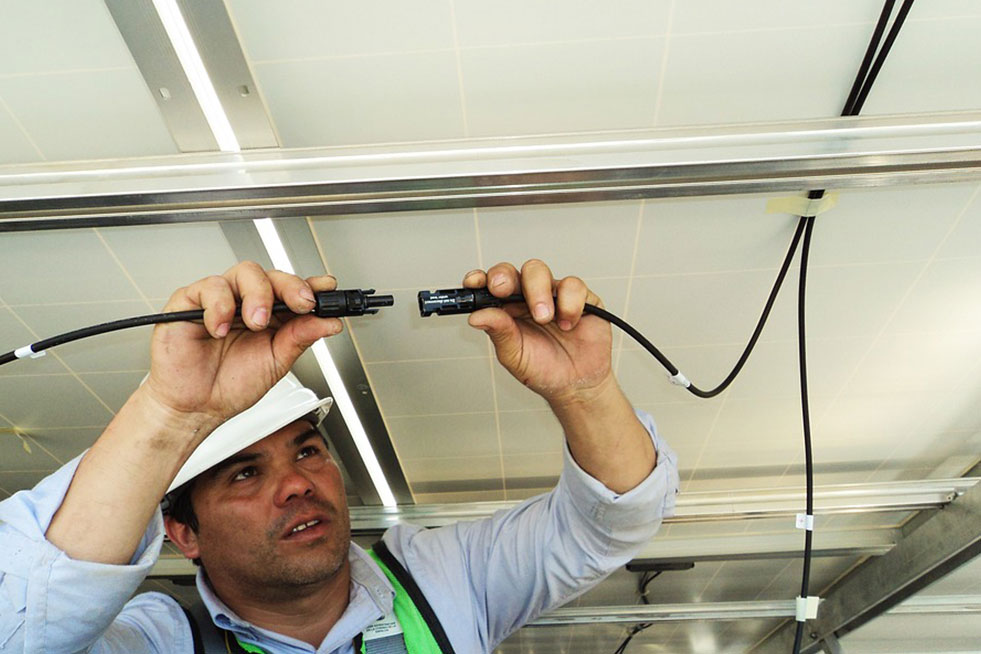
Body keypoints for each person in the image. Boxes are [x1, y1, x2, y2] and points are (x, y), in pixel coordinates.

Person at [0, 259, 679, 654]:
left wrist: (586, 392)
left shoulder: (445, 580)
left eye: (307, 449)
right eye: (244, 473)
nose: (297, 483)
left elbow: (608, 522)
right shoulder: (158, 641)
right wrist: (172, 415)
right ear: (183, 534)